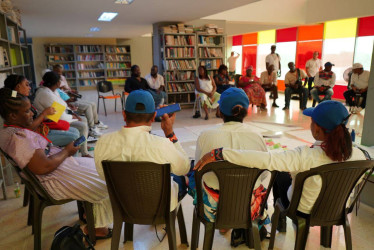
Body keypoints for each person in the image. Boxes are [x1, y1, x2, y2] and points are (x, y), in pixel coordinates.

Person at [195, 100, 366, 231]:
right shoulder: (360, 155)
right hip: (339, 208)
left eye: (312, 121)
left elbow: (264, 159)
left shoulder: (303, 156)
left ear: (318, 129)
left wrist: (220, 153)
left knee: (281, 174)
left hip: (303, 210)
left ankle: (281, 221)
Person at [0, 88, 113, 239]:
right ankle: (96, 228)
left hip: (54, 170)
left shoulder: (9, 131)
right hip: (53, 179)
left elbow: (31, 138)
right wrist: (67, 151)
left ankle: (93, 214)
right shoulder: (20, 139)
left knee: (99, 168)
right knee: (109, 182)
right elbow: (44, 167)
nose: (32, 113)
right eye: (27, 111)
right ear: (13, 116)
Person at [190, 87, 270, 235]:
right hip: (249, 206)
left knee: (192, 173)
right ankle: (245, 224)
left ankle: (224, 223)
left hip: (213, 209)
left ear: (220, 111)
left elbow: (198, 170)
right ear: (245, 111)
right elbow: (264, 174)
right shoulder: (257, 136)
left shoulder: (205, 135)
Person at [94, 90, 190, 211]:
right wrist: (170, 133)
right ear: (154, 117)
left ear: (124, 115)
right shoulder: (162, 145)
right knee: (181, 178)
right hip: (159, 207)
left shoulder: (103, 142)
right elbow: (184, 168)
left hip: (123, 206)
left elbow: (103, 176)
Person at [3, 74, 80, 147]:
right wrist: (44, 114)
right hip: (35, 136)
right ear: (18, 87)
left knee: (75, 132)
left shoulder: (21, 100)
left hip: (41, 129)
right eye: (27, 85)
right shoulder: (18, 104)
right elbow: (30, 128)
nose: (29, 88)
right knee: (75, 137)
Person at [33, 72, 92, 157]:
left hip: (57, 119)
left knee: (83, 123)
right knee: (82, 126)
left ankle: (83, 147)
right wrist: (72, 116)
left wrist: (71, 111)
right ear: (57, 83)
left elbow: (61, 105)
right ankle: (83, 152)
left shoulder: (52, 91)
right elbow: (59, 115)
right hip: (52, 122)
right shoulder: (45, 94)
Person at [53, 64, 108, 137]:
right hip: (67, 101)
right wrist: (69, 97)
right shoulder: (54, 83)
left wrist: (72, 92)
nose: (59, 74)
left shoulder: (62, 78)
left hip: (69, 98)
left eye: (60, 72)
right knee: (88, 106)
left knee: (92, 104)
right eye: (57, 72)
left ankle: (96, 123)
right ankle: (91, 128)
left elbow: (67, 89)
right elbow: (61, 97)